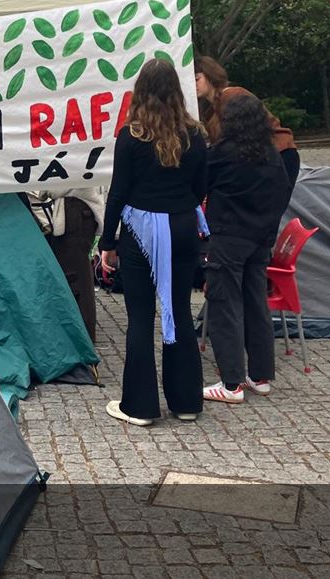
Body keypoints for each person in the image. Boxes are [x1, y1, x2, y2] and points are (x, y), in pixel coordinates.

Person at [99, 58, 208, 426]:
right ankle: (186, 402)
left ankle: (141, 407)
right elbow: (200, 186)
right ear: (177, 90)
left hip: (140, 231)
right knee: (178, 310)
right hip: (181, 227)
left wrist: (107, 241)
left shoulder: (131, 135)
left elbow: (117, 192)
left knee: (140, 318)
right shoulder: (195, 134)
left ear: (140, 91)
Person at [199, 95, 293, 404]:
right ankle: (261, 376)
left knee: (225, 305)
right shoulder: (272, 154)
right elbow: (282, 195)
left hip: (228, 238)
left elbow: (197, 185)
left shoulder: (221, 154)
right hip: (260, 239)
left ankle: (231, 383)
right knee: (256, 304)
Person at [193, 56, 300, 188]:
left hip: (279, 155)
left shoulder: (233, 95)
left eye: (197, 79)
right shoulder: (211, 110)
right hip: (262, 159)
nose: (193, 84)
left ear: (210, 75)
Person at [29, 188, 106, 343]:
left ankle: (82, 336)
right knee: (78, 276)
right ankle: (81, 333)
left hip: (75, 210)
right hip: (77, 209)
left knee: (77, 278)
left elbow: (58, 183)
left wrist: (45, 188)